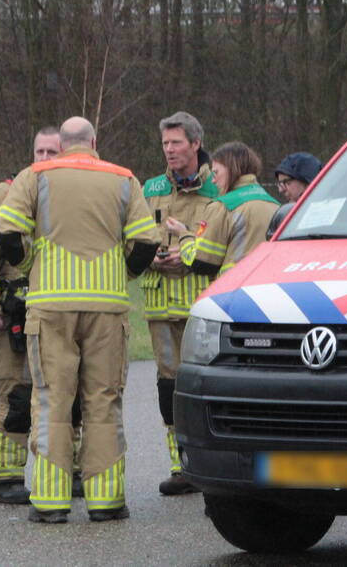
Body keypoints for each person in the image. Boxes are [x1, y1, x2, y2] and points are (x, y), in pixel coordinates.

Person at [0, 116, 160, 524]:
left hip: (51, 306)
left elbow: (7, 234)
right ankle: (106, 501)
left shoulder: (35, 175)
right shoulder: (123, 179)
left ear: (63, 145)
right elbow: (147, 241)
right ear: (94, 142)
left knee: (52, 399)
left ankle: (50, 502)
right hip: (108, 306)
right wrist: (124, 273)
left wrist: (32, 263)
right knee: (103, 400)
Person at [0, 127, 64, 505]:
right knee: (15, 392)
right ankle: (6, 476)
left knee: (62, 394)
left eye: (51, 152)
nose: (43, 158)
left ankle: (67, 471)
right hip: (13, 309)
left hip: (55, 308)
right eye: (38, 150)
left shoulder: (66, 196)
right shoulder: (6, 192)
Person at [140, 111, 220, 496]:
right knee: (168, 387)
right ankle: (180, 465)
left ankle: (210, 462)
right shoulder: (151, 187)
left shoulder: (217, 189)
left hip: (201, 304)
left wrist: (189, 253)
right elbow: (133, 236)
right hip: (159, 305)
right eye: (165, 144)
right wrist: (146, 256)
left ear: (195, 144)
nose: (169, 150)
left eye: (176, 143)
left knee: (204, 384)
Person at [166, 141, 280, 276]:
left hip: (233, 289)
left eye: (215, 173)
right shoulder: (276, 205)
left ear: (232, 169)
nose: (213, 181)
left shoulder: (222, 207)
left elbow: (201, 263)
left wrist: (184, 235)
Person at [267, 151, 324, 238]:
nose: (280, 190)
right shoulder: (289, 214)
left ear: (308, 182)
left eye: (286, 182)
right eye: (279, 183)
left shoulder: (327, 218)